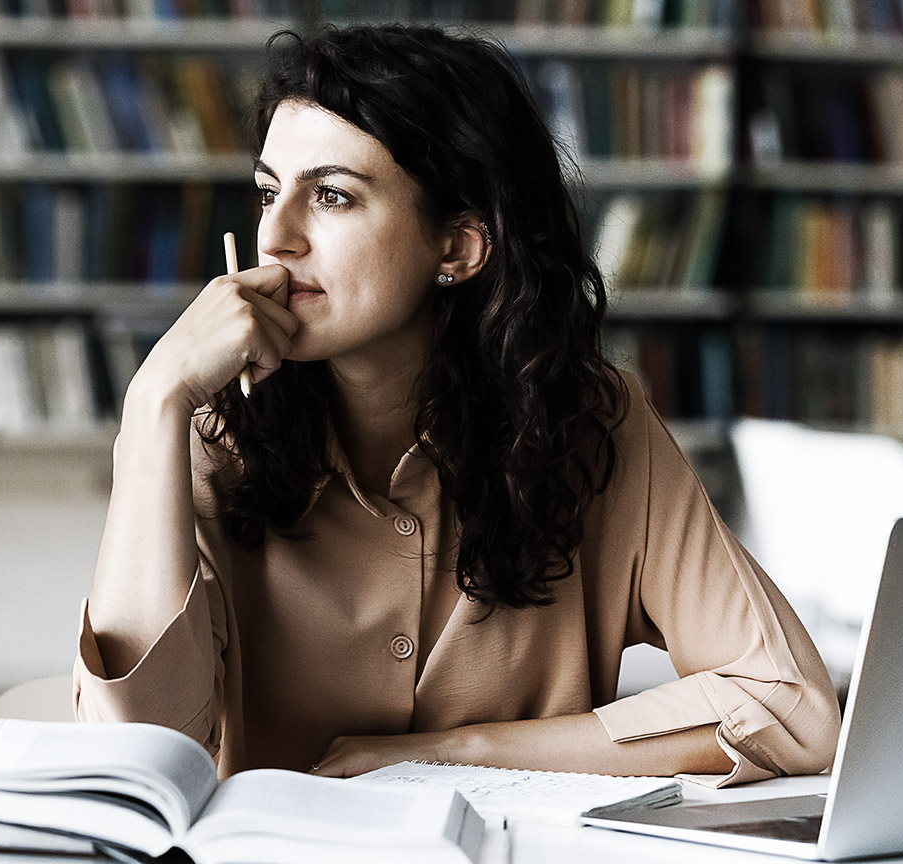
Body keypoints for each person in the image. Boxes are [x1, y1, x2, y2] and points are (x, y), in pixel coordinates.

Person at [74, 24, 840, 787]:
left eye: (332, 196)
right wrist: (153, 402)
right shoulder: (213, 432)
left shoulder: (594, 425)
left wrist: (458, 749)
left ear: (459, 248)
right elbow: (134, 761)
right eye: (270, 191)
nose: (276, 236)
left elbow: (793, 708)